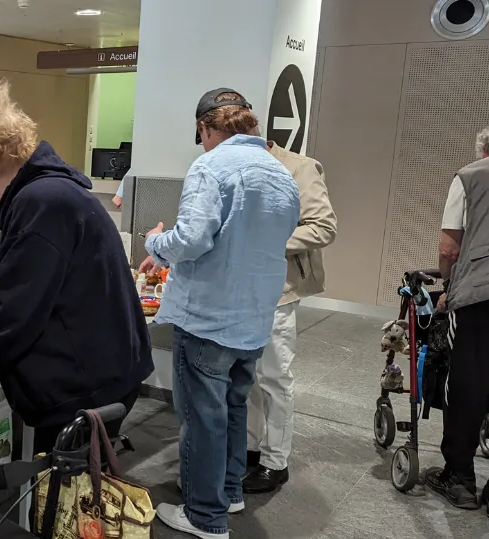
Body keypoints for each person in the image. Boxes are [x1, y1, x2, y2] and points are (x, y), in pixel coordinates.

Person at [0, 81, 153, 453]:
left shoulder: (42, 203)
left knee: (64, 502)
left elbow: (15, 314)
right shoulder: (49, 195)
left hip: (84, 387)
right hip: (101, 370)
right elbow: (35, 288)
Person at [139, 88, 299, 539]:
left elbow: (191, 239)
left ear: (206, 128)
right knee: (232, 410)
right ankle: (229, 492)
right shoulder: (280, 173)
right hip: (254, 318)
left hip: (209, 317)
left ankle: (204, 515)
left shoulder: (210, 166)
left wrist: (156, 242)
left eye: (201, 135)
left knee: (202, 417)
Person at [243, 141, 337, 494]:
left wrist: (267, 243)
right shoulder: (234, 164)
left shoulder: (301, 167)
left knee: (275, 376)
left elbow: (324, 227)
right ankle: (252, 448)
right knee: (248, 375)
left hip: (278, 288)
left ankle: (275, 461)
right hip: (239, 288)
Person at [427, 121, 489, 521]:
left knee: (470, 381)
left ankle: (459, 478)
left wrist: (447, 289)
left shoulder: (471, 176)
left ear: (487, 151)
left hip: (486, 292)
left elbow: (449, 248)